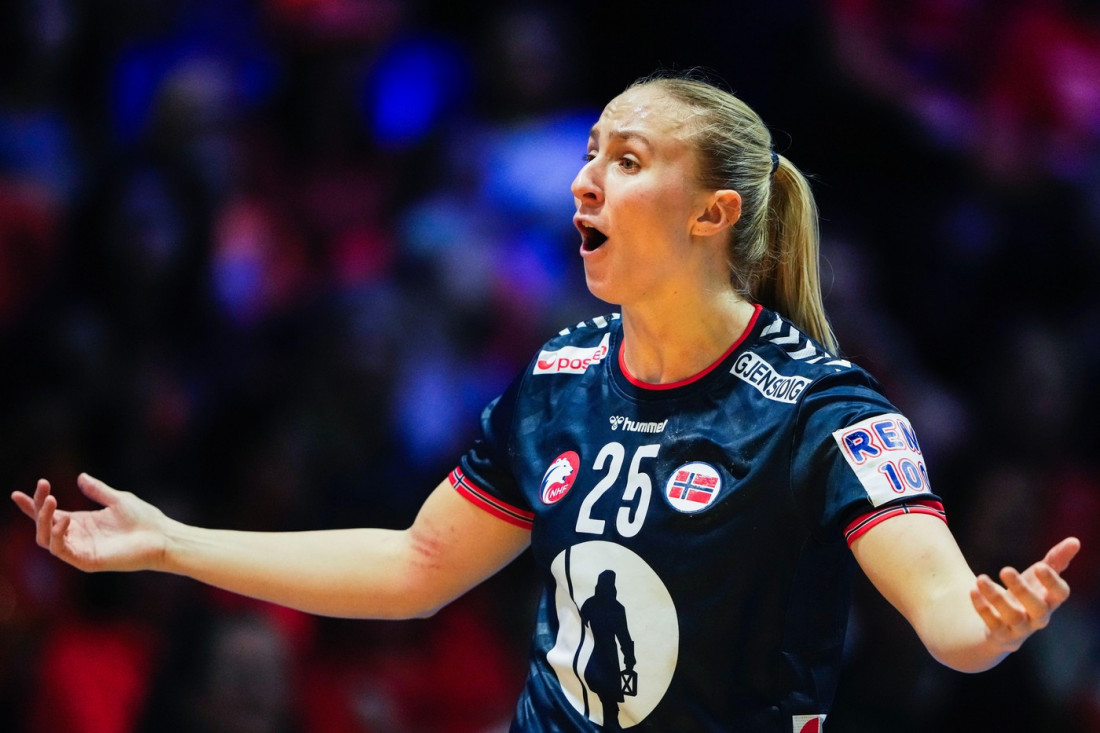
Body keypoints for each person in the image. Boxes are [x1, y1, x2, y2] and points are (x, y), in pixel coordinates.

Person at [12, 70, 1080, 732]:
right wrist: (173, 543)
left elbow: (945, 613)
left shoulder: (820, 409)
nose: (583, 183)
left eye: (626, 160)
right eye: (587, 155)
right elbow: (413, 567)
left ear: (712, 215)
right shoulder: (561, 376)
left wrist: (988, 628)